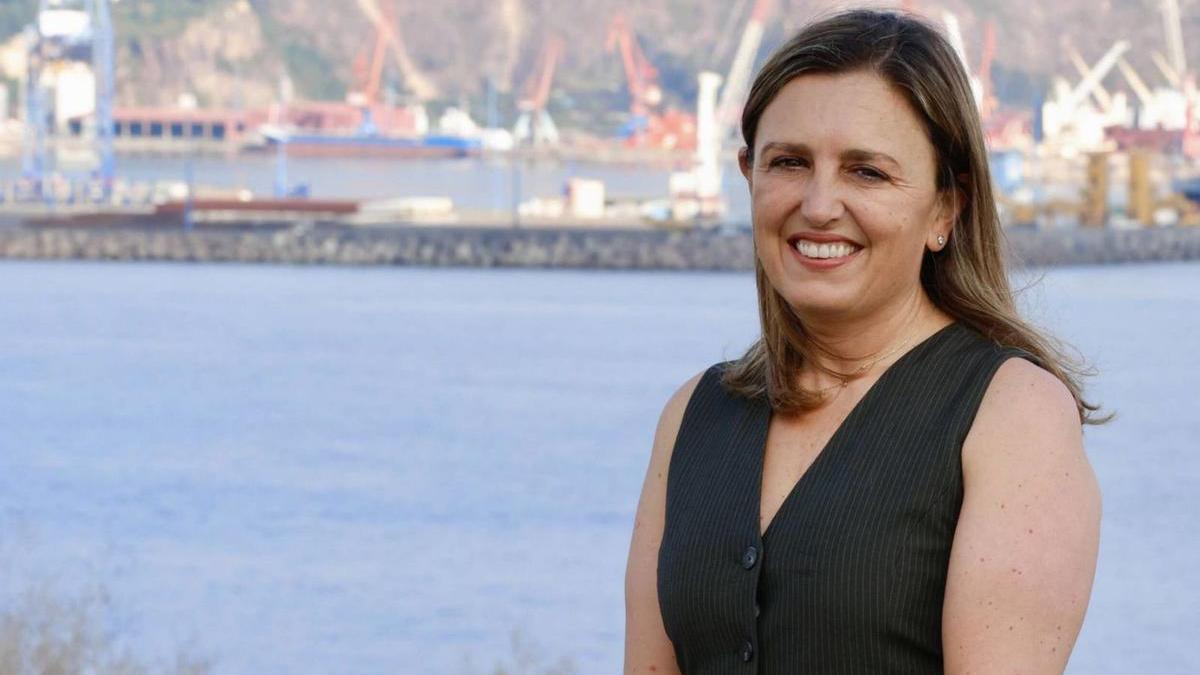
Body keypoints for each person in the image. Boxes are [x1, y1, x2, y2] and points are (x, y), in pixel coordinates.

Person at [624, 9, 1106, 674]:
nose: (819, 205)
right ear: (749, 176)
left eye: (867, 172)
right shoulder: (693, 415)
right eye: (789, 162)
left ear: (946, 208)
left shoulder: (1012, 417)